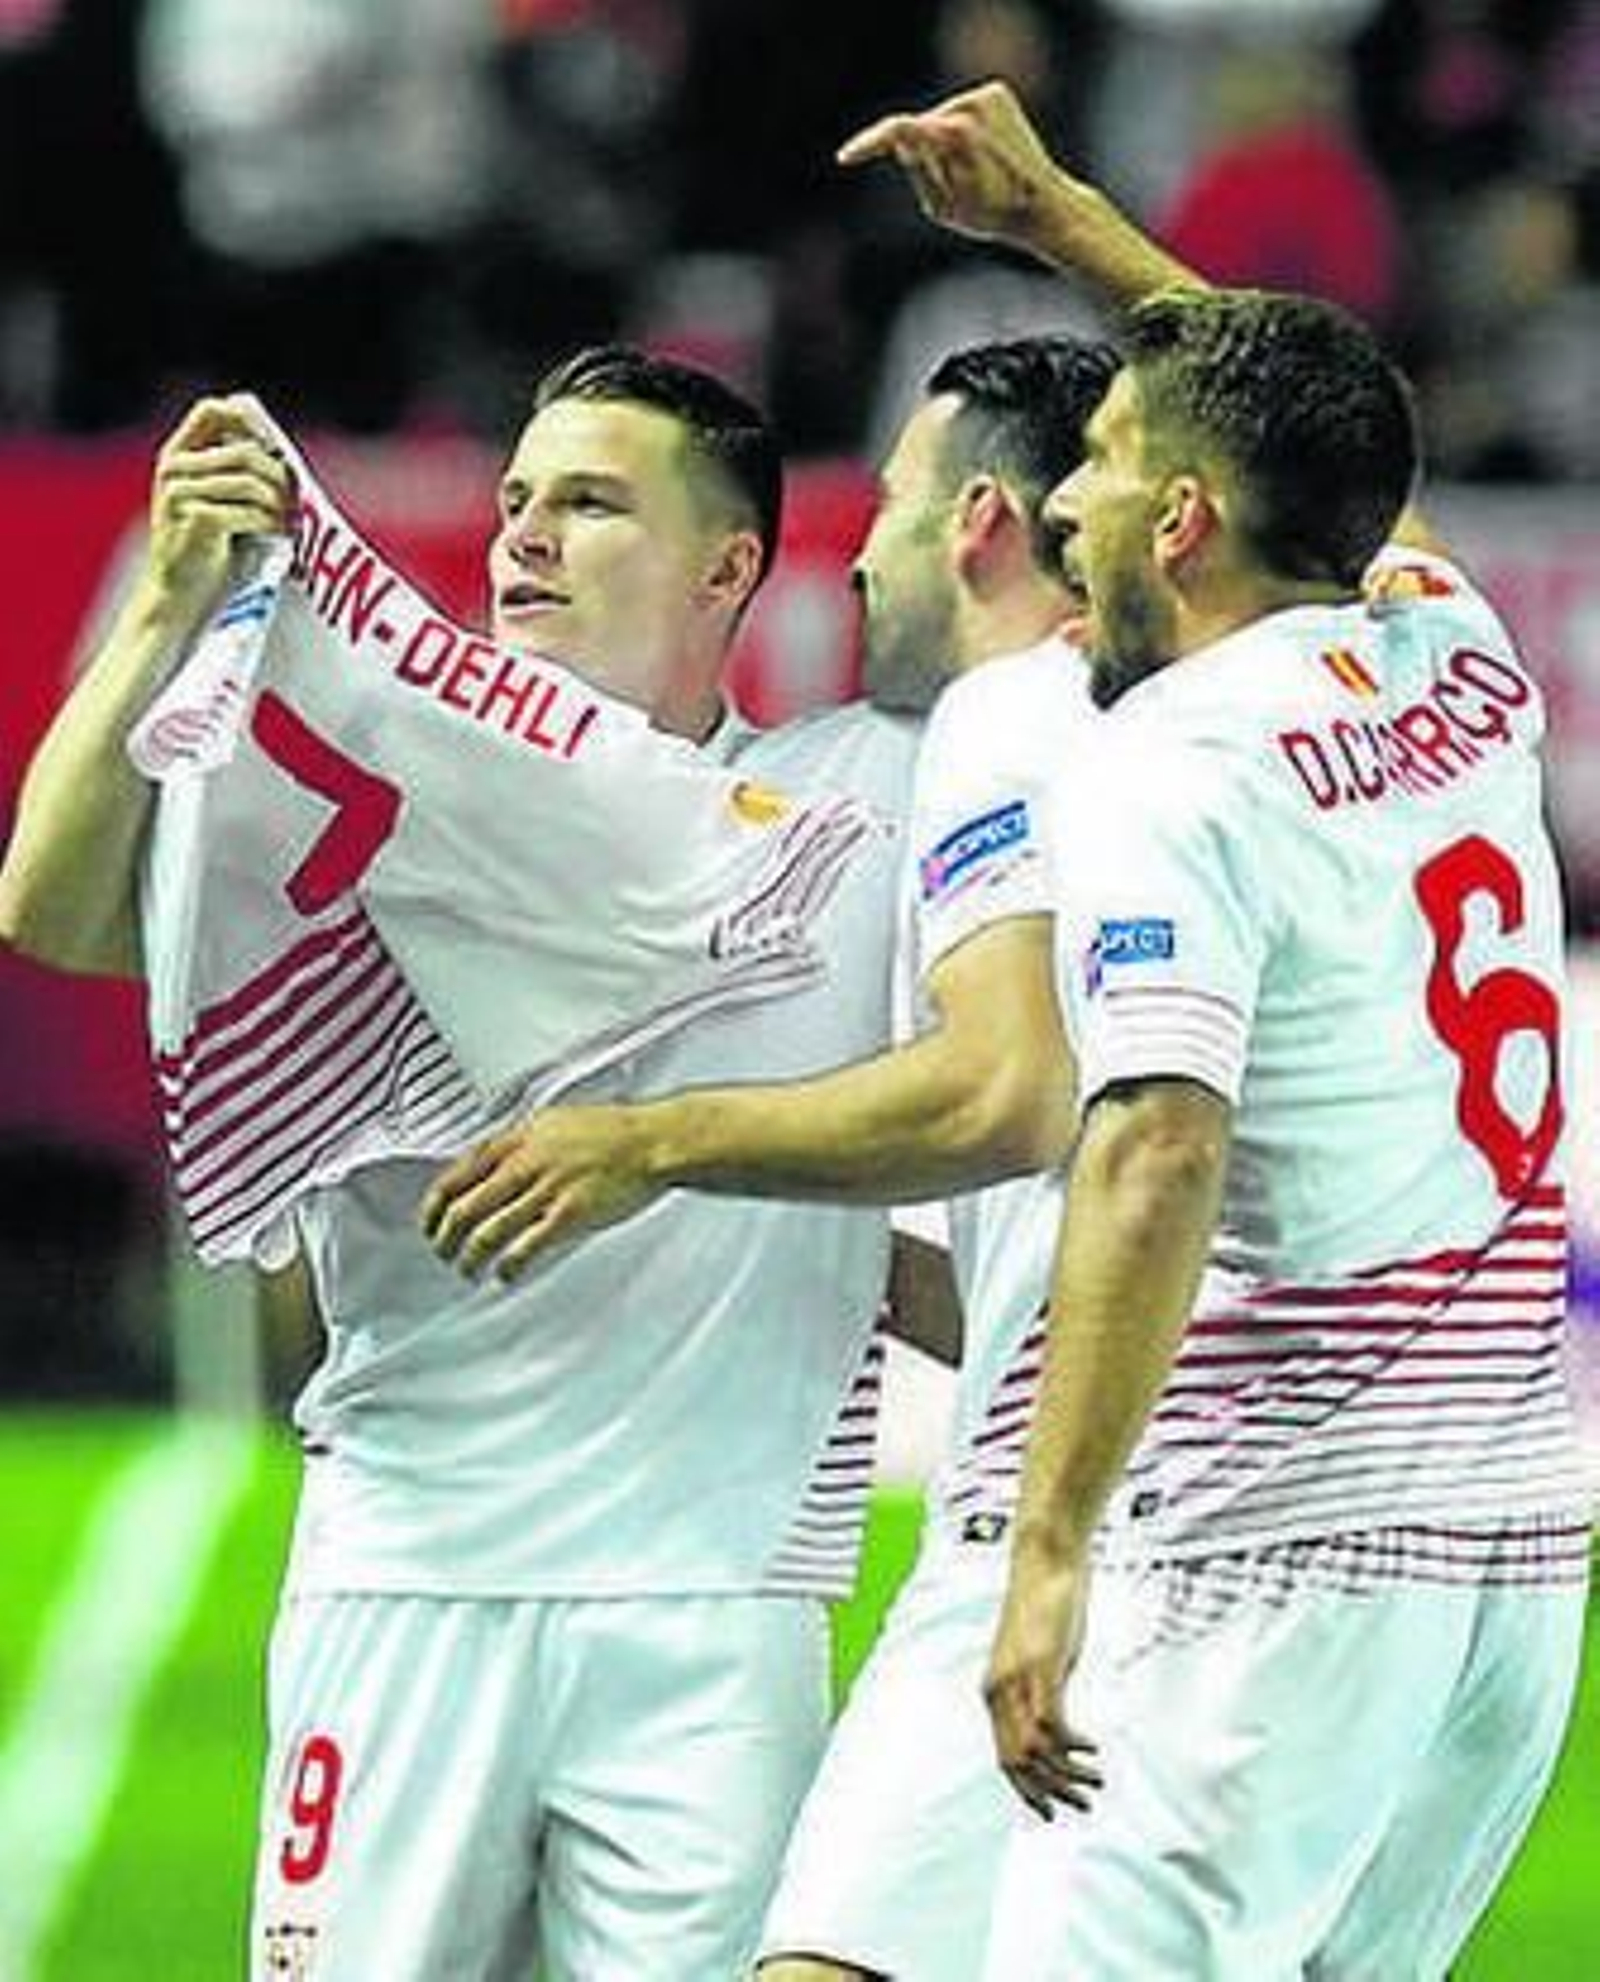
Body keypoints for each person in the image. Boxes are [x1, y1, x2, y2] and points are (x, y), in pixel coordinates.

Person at [0, 347, 919, 1980]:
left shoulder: (867, 801)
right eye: (515, 501)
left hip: (715, 1616)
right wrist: (161, 614)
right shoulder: (390, 798)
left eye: (588, 502)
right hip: (412, 1579)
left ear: (730, 566)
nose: (526, 538)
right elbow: (55, 910)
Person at [847, 81, 1595, 1980]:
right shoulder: (1448, 645)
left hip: (1286, 1561)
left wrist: (1047, 1545)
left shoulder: (1175, 762)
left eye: (1099, 459)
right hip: (1512, 1570)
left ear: (1177, 521)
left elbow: (1157, 1145)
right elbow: (1323, 443)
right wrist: (1067, 220)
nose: (1068, 498)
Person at [420, 332, 1117, 1981]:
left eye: (887, 503)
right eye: (520, 500)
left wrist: (650, 1146)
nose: (860, 551)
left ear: (987, 525)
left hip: (1005, 1527)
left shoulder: (954, 747)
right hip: (1316, 1514)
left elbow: (1005, 1094)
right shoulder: (1241, 715)